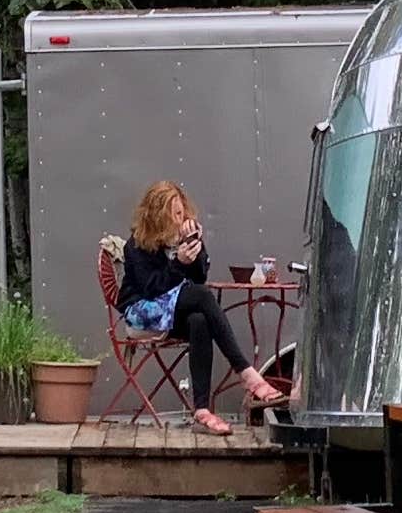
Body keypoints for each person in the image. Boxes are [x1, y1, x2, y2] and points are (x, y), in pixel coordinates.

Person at [115, 181, 282, 434]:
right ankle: (246, 372)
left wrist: (197, 252)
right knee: (202, 296)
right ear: (158, 216)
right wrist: (178, 263)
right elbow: (151, 288)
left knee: (199, 321)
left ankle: (202, 411)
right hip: (141, 312)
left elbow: (199, 277)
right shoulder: (136, 245)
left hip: (172, 311)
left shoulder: (180, 239)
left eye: (181, 213)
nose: (180, 219)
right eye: (174, 214)